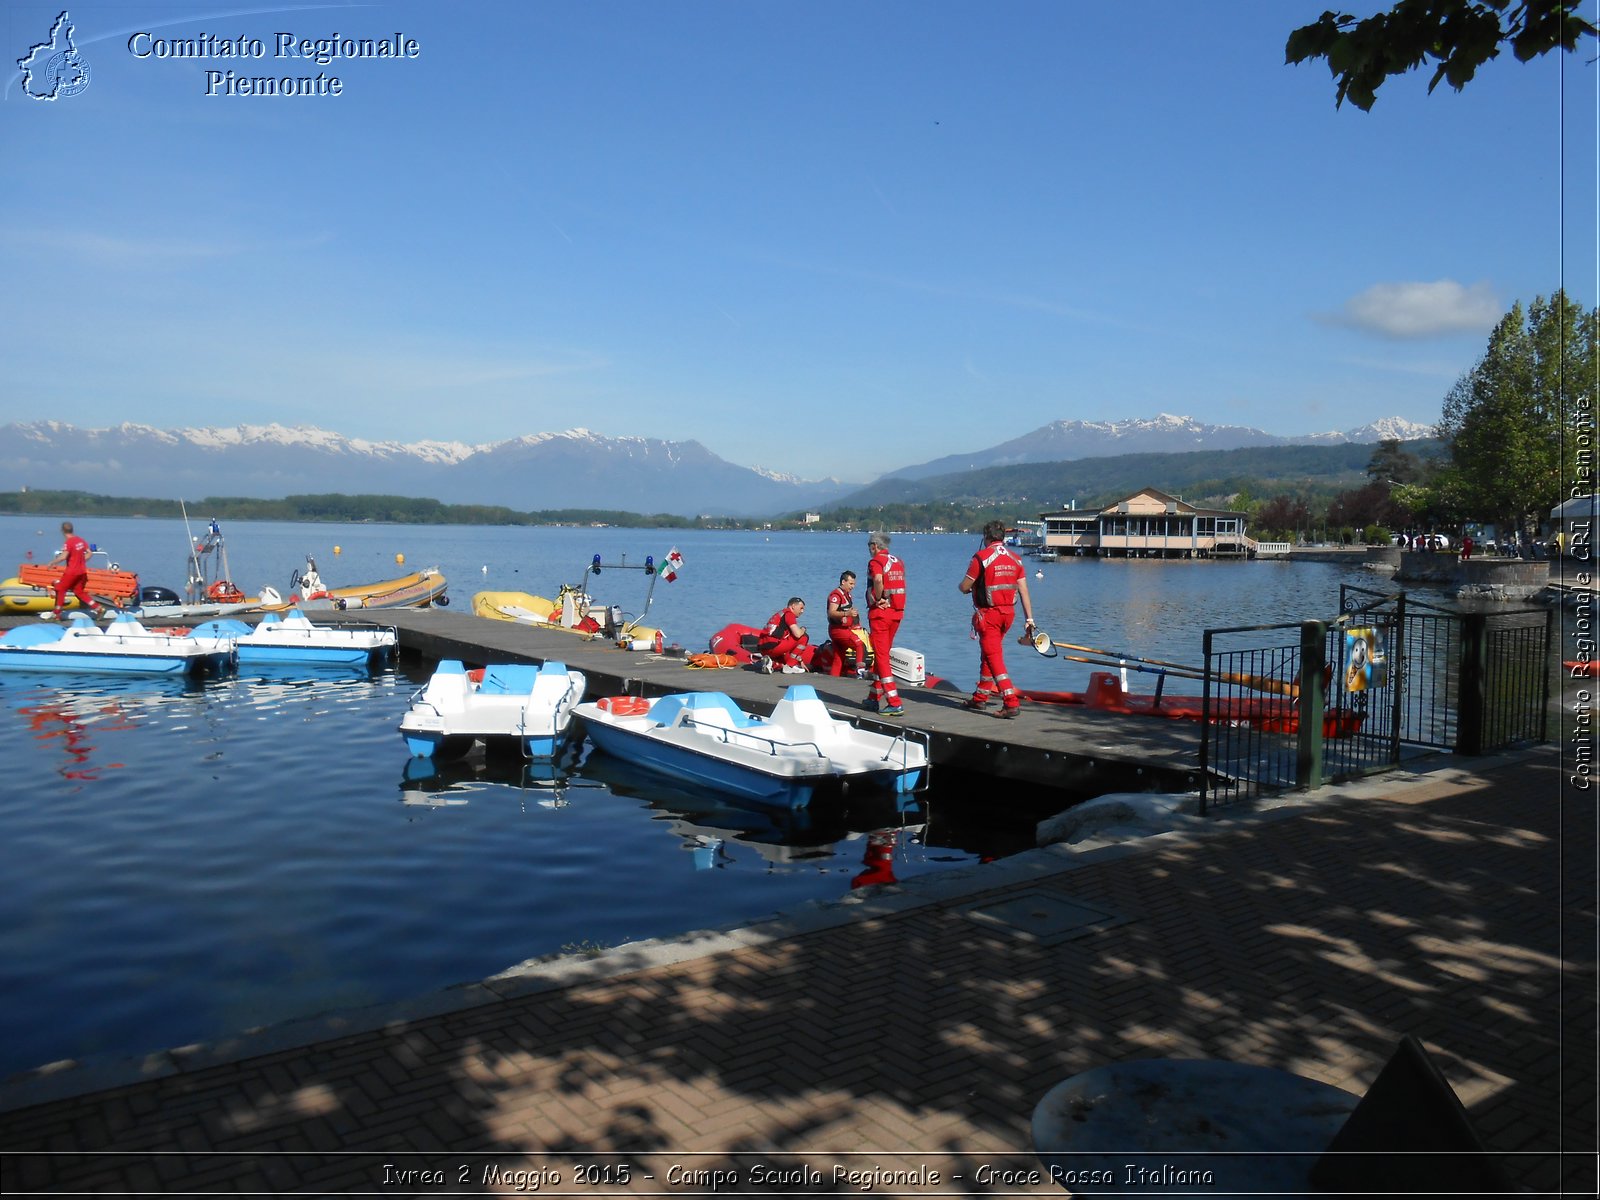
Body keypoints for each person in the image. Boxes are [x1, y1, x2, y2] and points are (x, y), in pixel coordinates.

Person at [958, 519, 1036, 718]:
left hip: (989, 615)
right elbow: (1024, 590)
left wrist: (969, 587)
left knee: (994, 658)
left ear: (986, 537)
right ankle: (980, 698)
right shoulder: (1016, 559)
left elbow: (964, 586)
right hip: (1009, 614)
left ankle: (1010, 701)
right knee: (989, 653)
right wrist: (1030, 619)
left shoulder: (981, 558)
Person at [865, 532, 906, 715]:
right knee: (882, 654)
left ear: (875, 546)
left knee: (881, 657)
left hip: (881, 614)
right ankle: (874, 697)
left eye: (869, 546)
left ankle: (894, 701)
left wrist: (879, 597)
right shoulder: (897, 561)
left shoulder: (876, 562)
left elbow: (878, 580)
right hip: (896, 613)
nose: (869, 549)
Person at [43, 521, 104, 621]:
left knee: (61, 589)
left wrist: (53, 562)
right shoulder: (80, 540)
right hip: (82, 572)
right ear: (72, 529)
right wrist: (81, 560)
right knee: (79, 592)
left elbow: (64, 556)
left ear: (62, 531)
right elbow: (89, 553)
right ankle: (98, 608)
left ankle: (57, 614)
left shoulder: (68, 543)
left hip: (72, 572)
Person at [824, 570, 868, 678]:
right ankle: (860, 671)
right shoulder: (836, 595)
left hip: (844, 629)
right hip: (837, 629)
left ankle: (833, 678)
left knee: (839, 655)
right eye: (851, 583)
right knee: (859, 644)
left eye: (854, 584)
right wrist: (846, 613)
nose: (852, 586)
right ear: (843, 582)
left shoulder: (848, 595)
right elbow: (831, 612)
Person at [757, 597, 810, 674]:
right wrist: (803, 628)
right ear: (793, 606)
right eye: (801, 608)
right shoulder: (789, 614)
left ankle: (771, 663)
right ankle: (790, 666)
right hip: (774, 646)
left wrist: (800, 660)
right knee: (804, 637)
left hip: (763, 648)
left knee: (783, 659)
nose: (802, 611)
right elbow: (798, 634)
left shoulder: (780, 614)